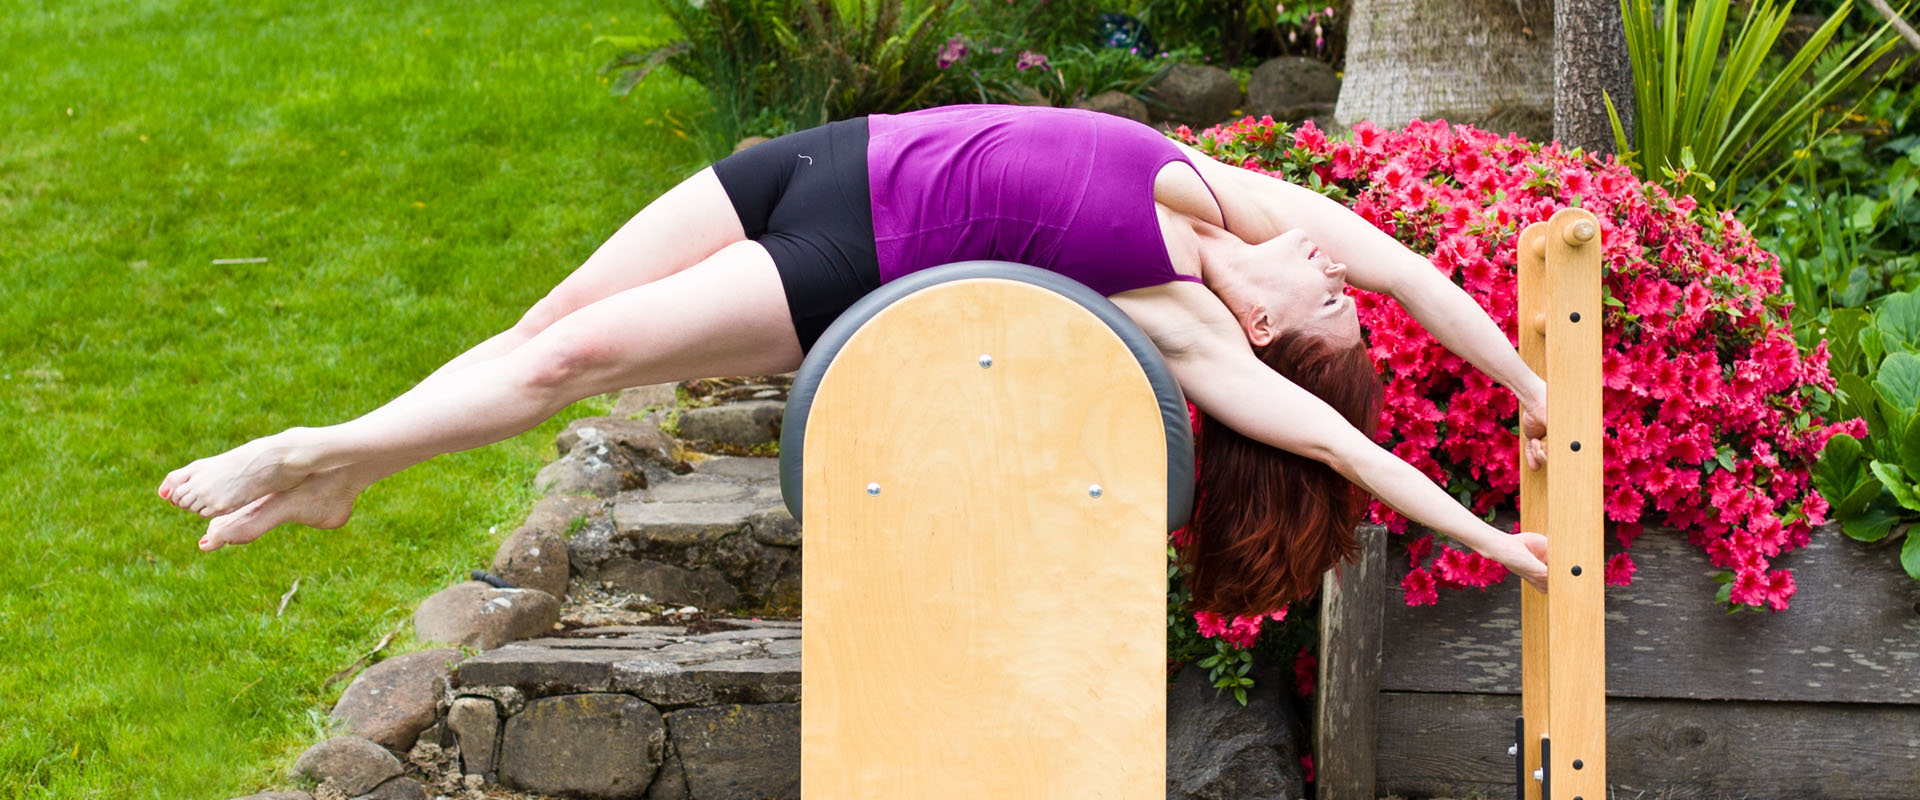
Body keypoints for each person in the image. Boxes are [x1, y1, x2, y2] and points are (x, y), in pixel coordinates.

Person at [158, 104, 1551, 613]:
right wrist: (1534, 390)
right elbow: (1423, 280)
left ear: (1267, 335)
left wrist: (1498, 541)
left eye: (1338, 308)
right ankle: (351, 472)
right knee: (539, 327)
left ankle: (313, 453)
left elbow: (1344, 449)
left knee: (573, 359)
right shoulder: (1254, 207)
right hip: (820, 160)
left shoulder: (1192, 323)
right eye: (1343, 287)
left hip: (842, 265)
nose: (1345, 273)